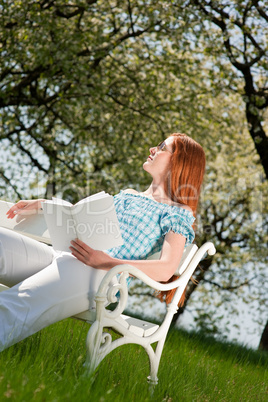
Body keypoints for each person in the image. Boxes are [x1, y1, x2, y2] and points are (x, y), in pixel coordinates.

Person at [0, 133, 206, 351]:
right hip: (65, 257)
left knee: (17, 303)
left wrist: (106, 261)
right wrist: (43, 204)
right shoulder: (128, 195)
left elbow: (166, 269)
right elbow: (81, 216)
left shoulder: (177, 212)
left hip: (99, 280)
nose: (152, 149)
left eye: (162, 147)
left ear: (179, 162)